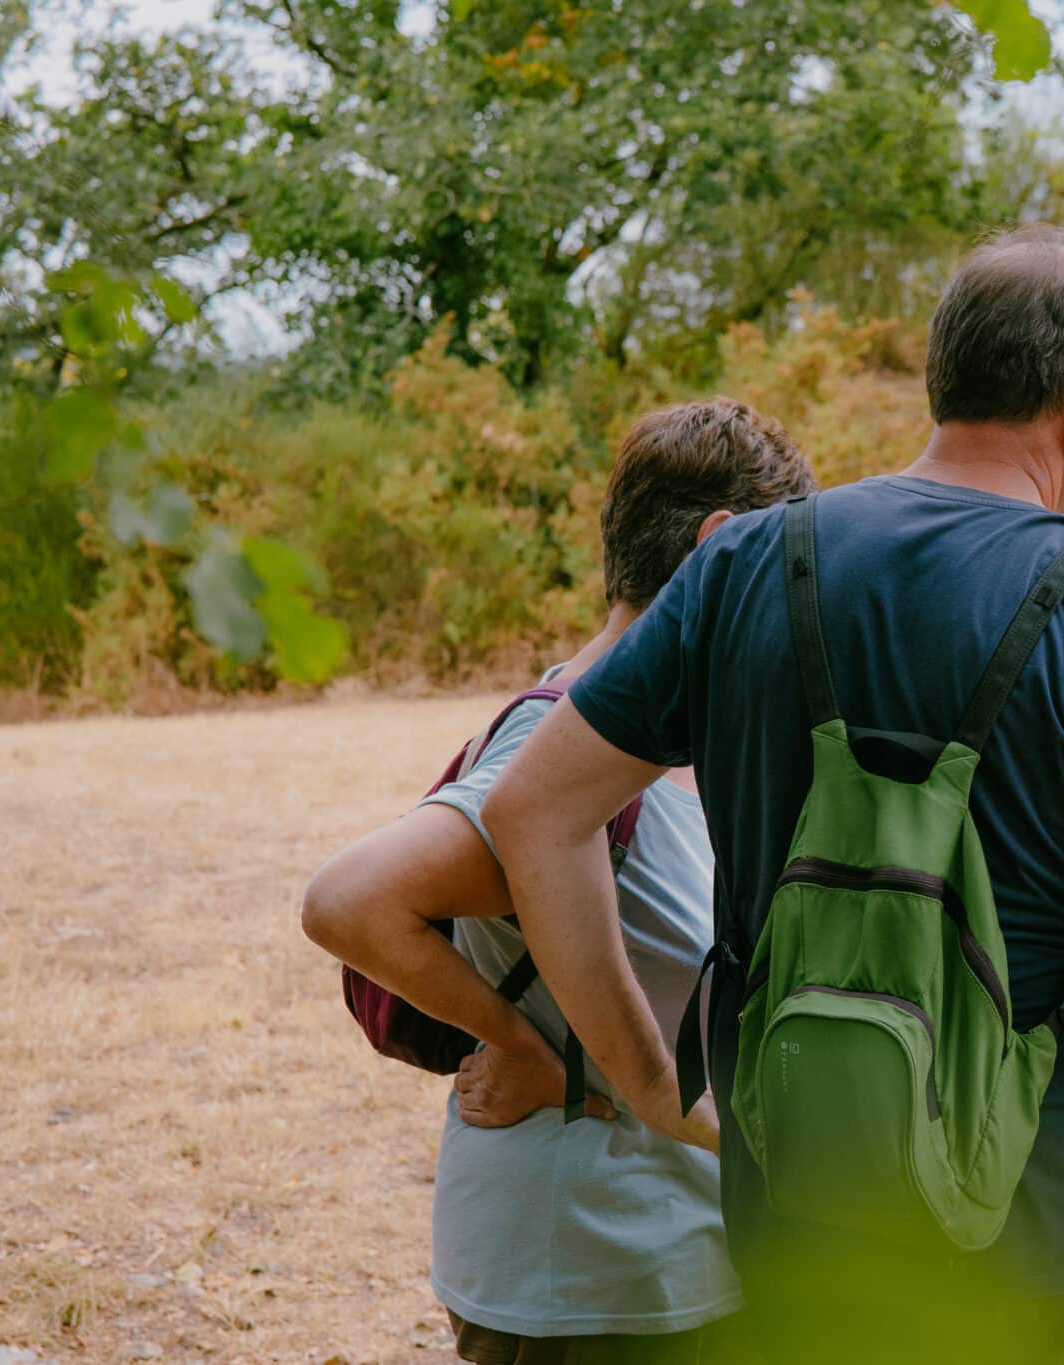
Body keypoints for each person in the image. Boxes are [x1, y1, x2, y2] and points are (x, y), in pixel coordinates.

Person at [480, 226, 1064, 1364]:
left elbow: (533, 812)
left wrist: (649, 1082)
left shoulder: (741, 565)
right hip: (1033, 1252)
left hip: (793, 1225)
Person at [300, 398, 816, 1365]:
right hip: (584, 1285)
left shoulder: (644, 744)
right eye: (783, 572)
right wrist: (524, 1045)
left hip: (644, 1267)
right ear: (720, 549)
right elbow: (348, 898)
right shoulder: (558, 744)